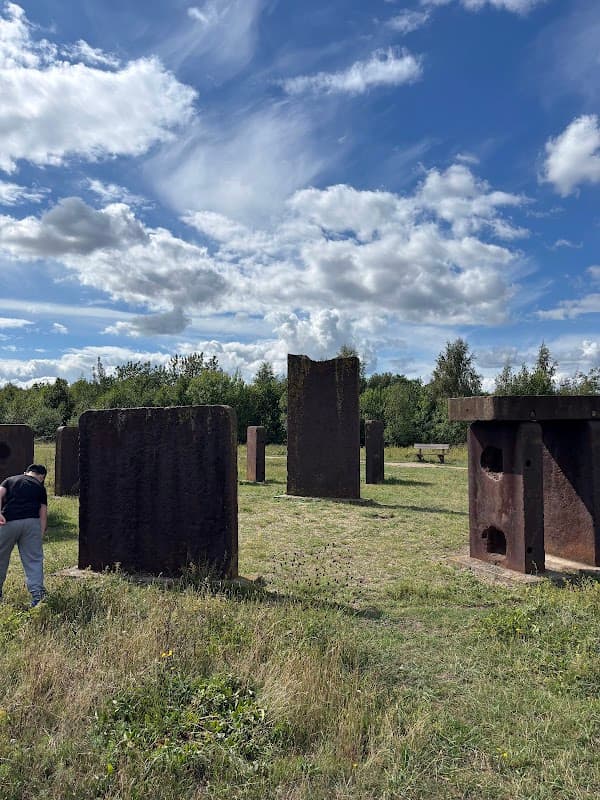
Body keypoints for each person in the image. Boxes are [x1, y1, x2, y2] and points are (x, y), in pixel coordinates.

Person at [0, 464, 48, 607]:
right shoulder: (40, 487)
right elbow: (43, 512)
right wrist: (40, 532)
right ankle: (38, 597)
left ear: (26, 472)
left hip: (8, 522)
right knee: (33, 560)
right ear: (42, 477)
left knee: (1, 558)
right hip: (31, 522)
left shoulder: (10, 480)